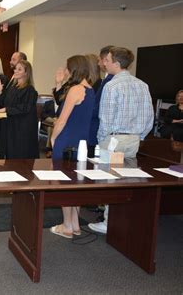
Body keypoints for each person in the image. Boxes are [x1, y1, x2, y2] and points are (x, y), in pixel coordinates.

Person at [88, 46, 154, 234]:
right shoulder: (142, 84)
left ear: (116, 63)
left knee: (110, 182)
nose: (104, 63)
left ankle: (109, 222)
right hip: (133, 139)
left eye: (107, 60)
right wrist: (139, 136)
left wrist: (102, 140)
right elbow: (149, 117)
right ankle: (124, 221)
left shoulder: (112, 86)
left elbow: (106, 119)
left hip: (113, 139)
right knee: (128, 180)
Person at [48, 55, 95, 238]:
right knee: (76, 183)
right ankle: (75, 224)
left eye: (67, 68)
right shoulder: (90, 89)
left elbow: (62, 120)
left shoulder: (75, 89)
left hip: (67, 141)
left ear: (73, 69)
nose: (65, 71)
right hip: (81, 143)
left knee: (64, 184)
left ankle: (67, 226)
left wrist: (53, 138)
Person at [0, 59, 39, 159]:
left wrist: (6, 110)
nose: (16, 71)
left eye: (20, 69)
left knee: (19, 157)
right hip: (10, 126)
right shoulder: (12, 87)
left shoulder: (29, 90)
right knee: (9, 155)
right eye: (16, 69)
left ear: (26, 73)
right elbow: (3, 103)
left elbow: (24, 108)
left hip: (21, 129)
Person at [88, 45, 115, 158]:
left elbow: (98, 108)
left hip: (98, 130)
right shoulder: (106, 80)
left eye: (99, 60)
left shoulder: (109, 81)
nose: (98, 64)